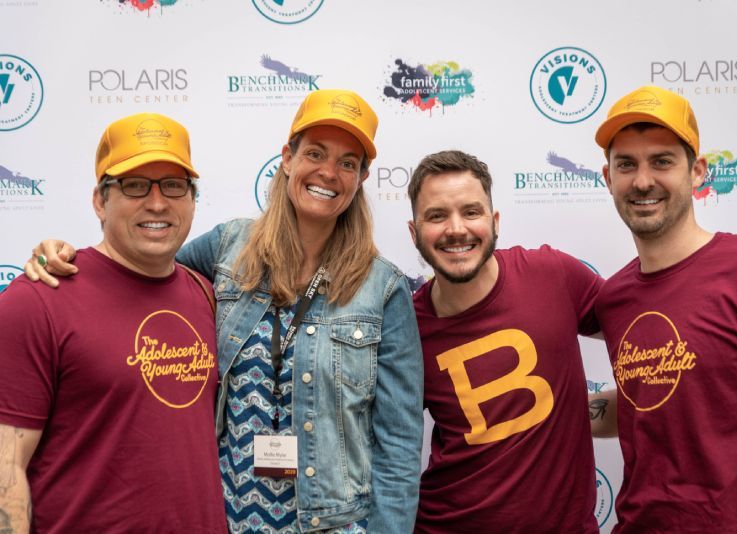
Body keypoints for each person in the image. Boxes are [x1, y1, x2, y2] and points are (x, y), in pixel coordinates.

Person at [24, 89, 424, 533]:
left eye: (348, 163)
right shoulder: (227, 249)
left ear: (362, 178)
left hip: (334, 525)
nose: (328, 172)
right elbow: (141, 266)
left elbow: (400, 443)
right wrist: (61, 254)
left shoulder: (383, 288)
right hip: (225, 519)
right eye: (315, 153)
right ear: (287, 158)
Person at [0, 112, 227, 532]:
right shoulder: (38, 300)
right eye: (135, 185)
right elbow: (5, 468)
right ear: (100, 200)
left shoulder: (207, 295)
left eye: (174, 186)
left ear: (193, 200)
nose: (157, 203)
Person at [592, 84, 737, 532]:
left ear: (698, 172)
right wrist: (546, 410)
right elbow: (651, 400)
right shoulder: (613, 299)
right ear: (607, 178)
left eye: (662, 161)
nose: (642, 180)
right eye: (625, 164)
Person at [407, 150, 603, 533]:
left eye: (471, 212)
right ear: (414, 233)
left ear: (494, 222)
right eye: (436, 216)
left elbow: (643, 337)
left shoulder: (552, 275)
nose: (456, 228)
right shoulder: (407, 327)